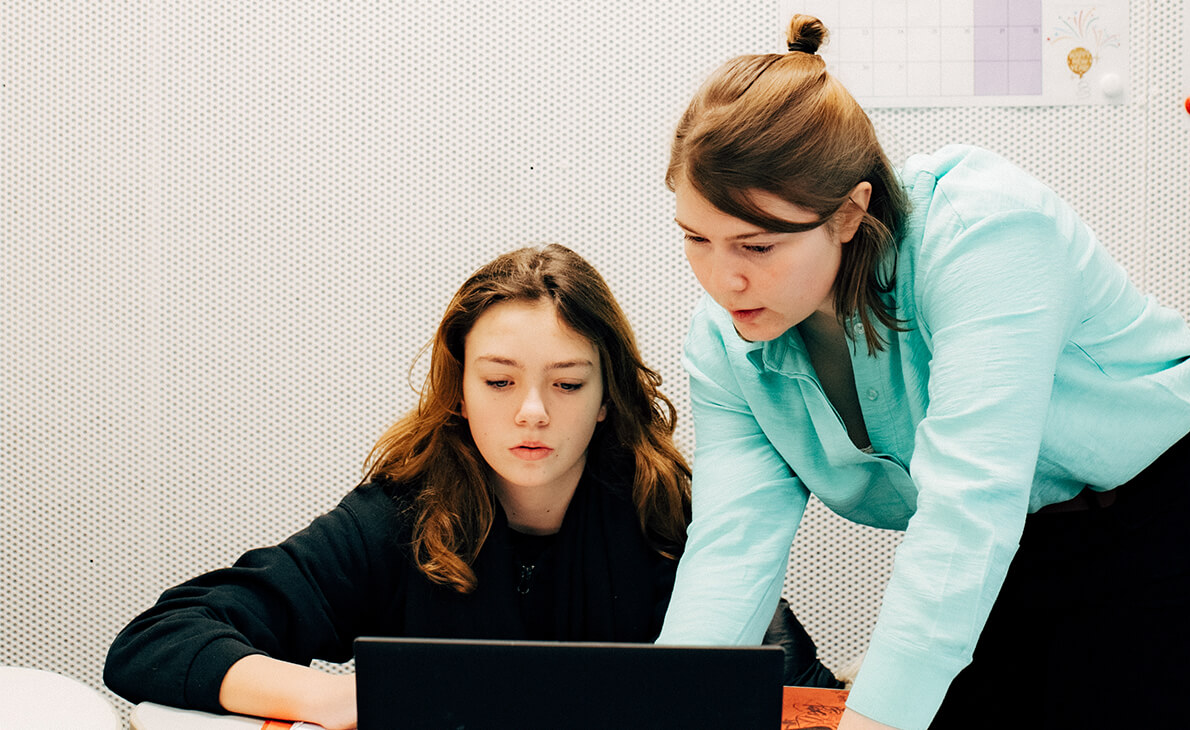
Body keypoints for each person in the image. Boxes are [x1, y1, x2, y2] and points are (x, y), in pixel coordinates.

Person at [655, 15, 1190, 730]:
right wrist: (670, 706)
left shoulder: (985, 233)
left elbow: (968, 507)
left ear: (851, 212)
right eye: (697, 239)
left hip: (1162, 510)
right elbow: (734, 543)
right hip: (1014, 538)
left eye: (756, 246)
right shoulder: (725, 344)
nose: (722, 279)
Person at [104, 245, 838, 730]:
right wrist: (335, 696)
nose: (532, 412)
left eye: (568, 383)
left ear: (608, 397)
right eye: (498, 380)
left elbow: (800, 693)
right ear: (459, 390)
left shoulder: (669, 517)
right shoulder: (399, 515)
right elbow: (157, 640)